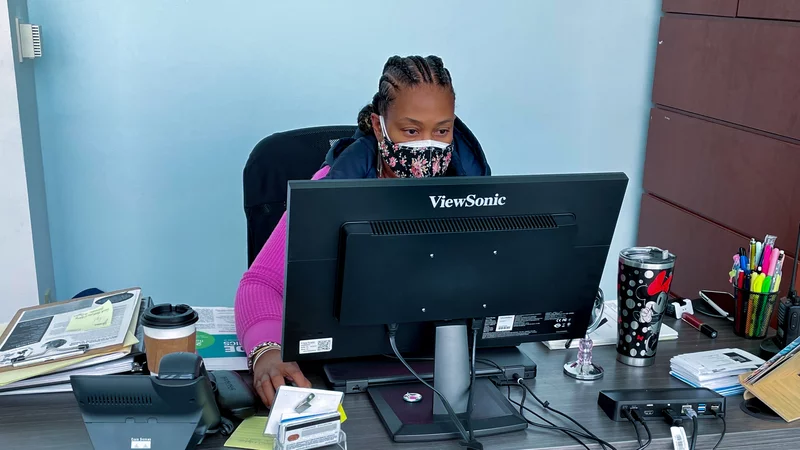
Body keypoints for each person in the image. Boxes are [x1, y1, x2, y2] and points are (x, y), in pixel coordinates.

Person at [235, 55, 491, 406]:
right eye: (411, 131)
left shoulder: (474, 190)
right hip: (340, 376)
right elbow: (260, 283)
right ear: (378, 125)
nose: (428, 146)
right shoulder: (333, 186)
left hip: (448, 367)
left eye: (442, 130)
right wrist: (266, 352)